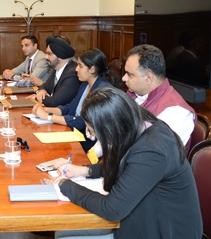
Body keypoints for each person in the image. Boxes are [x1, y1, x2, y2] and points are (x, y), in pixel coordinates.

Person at [46, 86, 202, 239]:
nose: (93, 137)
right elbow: (129, 167)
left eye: (93, 132)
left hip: (163, 230)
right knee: (64, 232)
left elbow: (112, 210)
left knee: (66, 235)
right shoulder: (138, 125)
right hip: (142, 220)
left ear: (110, 128)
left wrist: (64, 185)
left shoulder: (151, 151)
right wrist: (86, 171)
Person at [32, 48, 121, 152]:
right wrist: (48, 110)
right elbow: (71, 107)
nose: (76, 69)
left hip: (91, 143)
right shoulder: (85, 84)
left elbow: (83, 121)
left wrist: (48, 117)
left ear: (92, 69)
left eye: (80, 66)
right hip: (77, 134)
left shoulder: (102, 92)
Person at [122, 44, 195, 152]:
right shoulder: (134, 94)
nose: (124, 78)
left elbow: (152, 155)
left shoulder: (177, 112)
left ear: (148, 78)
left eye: (129, 74)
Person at [27, 36, 81, 107]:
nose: (45, 57)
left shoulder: (72, 74)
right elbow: (45, 85)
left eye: (49, 54)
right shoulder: (56, 69)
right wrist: (42, 91)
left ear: (61, 55)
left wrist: (38, 97)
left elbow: (54, 102)